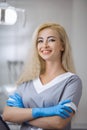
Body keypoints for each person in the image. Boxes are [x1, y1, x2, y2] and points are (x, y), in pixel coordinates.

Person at [2, 22, 82, 130]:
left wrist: (20, 116)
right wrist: (44, 111)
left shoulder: (71, 81)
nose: (44, 45)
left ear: (62, 46)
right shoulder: (28, 80)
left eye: (51, 40)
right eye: (40, 41)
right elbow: (7, 114)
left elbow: (58, 123)